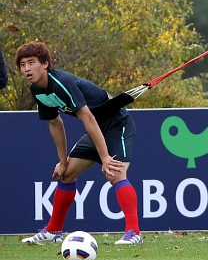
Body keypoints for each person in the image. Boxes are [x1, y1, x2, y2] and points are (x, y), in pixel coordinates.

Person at [16, 42, 142, 245]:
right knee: (65, 175)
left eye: (32, 62)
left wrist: (105, 158)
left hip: (117, 125)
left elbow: (88, 118)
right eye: (22, 65)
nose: (27, 68)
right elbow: (55, 123)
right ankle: (53, 231)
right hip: (96, 129)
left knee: (114, 173)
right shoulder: (37, 90)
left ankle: (134, 232)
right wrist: (62, 160)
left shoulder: (62, 82)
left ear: (45, 64)